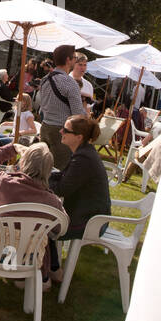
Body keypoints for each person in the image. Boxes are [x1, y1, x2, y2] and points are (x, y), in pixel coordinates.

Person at [0, 141, 63, 281]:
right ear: (49, 170)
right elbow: (60, 228)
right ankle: (37, 286)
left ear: (23, 162)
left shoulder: (4, 184)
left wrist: (12, 148)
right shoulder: (52, 201)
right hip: (30, 258)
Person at [48, 114, 112, 281]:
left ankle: (51, 272)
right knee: (42, 222)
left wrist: (41, 182)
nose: (61, 131)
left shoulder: (83, 158)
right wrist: (44, 176)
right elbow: (63, 177)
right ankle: (51, 268)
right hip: (89, 215)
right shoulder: (83, 153)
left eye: (66, 130)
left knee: (40, 225)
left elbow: (62, 188)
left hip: (89, 221)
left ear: (78, 137)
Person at [35, 44, 86, 170]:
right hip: (62, 132)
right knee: (59, 171)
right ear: (68, 60)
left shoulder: (45, 80)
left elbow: (41, 104)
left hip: (45, 127)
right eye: (74, 57)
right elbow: (77, 115)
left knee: (42, 169)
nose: (75, 60)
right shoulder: (70, 83)